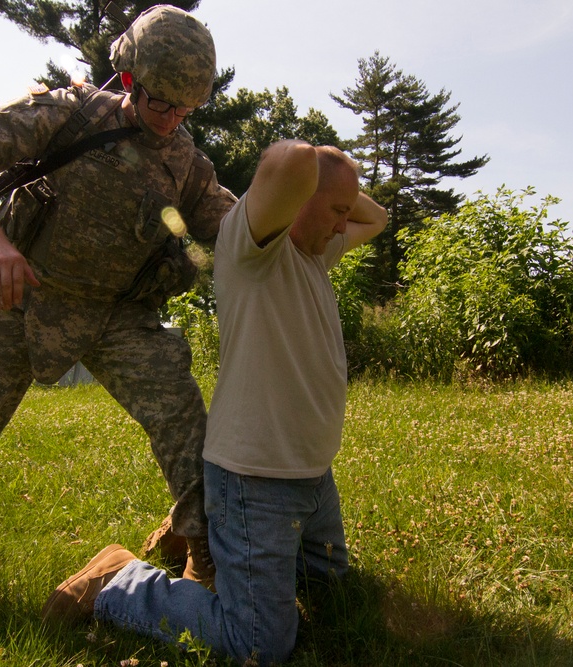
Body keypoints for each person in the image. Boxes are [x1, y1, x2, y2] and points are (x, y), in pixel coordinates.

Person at [0, 5, 236, 617]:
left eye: (185, 110)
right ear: (128, 82)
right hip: (22, 299)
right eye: (160, 105)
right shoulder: (67, 115)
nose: (171, 122)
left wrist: (298, 216)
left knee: (184, 422)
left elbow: (233, 227)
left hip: (117, 315)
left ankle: (199, 547)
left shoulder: (185, 163)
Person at [41, 140, 388, 666]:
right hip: (258, 483)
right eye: (337, 211)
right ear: (298, 200)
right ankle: (121, 580)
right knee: (259, 644)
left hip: (312, 479)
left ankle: (218, 547)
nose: (345, 225)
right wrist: (321, 176)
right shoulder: (251, 250)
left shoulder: (318, 251)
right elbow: (288, 164)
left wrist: (340, 189)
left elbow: (378, 218)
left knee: (333, 591)